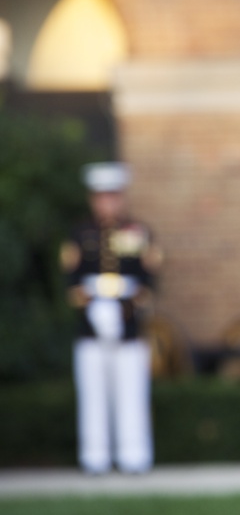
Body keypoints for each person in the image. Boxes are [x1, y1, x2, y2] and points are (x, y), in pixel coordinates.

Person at [61, 161, 162, 474]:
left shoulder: (139, 233)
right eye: (102, 197)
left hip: (129, 329)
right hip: (90, 330)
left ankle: (134, 456)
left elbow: (150, 283)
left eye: (114, 196)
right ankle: (95, 457)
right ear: (94, 199)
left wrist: (125, 307)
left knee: (132, 394)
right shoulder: (79, 235)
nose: (108, 203)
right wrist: (93, 306)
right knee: (93, 395)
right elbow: (70, 283)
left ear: (122, 198)